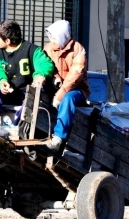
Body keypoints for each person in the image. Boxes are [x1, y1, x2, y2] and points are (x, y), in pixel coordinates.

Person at [0, 20, 54, 133]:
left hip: (25, 93)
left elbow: (45, 64)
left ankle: (17, 125)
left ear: (7, 41)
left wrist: (40, 75)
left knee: (32, 95)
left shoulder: (32, 49)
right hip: (8, 92)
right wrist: (1, 81)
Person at [43, 20, 91, 151]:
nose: (51, 41)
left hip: (78, 90)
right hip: (56, 87)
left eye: (54, 38)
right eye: (50, 37)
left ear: (62, 36)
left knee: (68, 98)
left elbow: (76, 73)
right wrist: (56, 78)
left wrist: (60, 94)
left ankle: (58, 137)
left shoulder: (78, 49)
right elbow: (46, 66)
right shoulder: (48, 48)